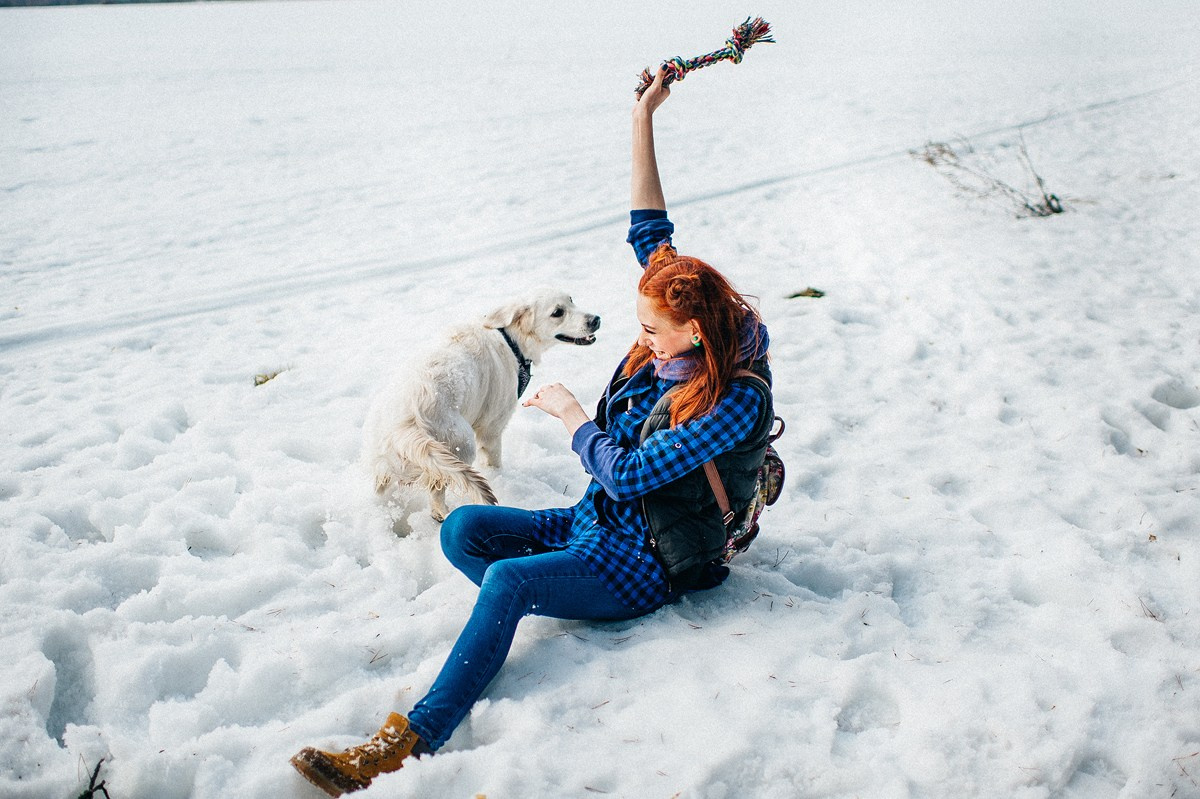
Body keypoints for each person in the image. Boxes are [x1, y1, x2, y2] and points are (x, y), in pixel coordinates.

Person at [290, 67, 773, 797]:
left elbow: (631, 475)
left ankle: (407, 742)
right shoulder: (678, 303)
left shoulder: (733, 399)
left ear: (697, 331)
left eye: (652, 331)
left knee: (511, 578)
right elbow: (649, 225)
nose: (637, 336)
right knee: (463, 531)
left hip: (653, 559)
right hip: (596, 525)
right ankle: (531, 604)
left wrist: (575, 417)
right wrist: (643, 115)